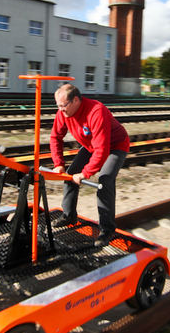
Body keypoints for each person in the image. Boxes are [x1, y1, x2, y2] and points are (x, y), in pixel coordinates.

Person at [49, 84, 130, 246]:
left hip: (116, 146)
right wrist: (58, 163)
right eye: (58, 106)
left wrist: (86, 173)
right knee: (70, 174)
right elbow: (55, 137)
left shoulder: (96, 111)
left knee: (105, 180)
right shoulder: (63, 113)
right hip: (92, 146)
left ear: (76, 100)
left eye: (63, 106)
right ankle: (69, 215)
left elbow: (102, 149)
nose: (60, 110)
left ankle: (107, 230)